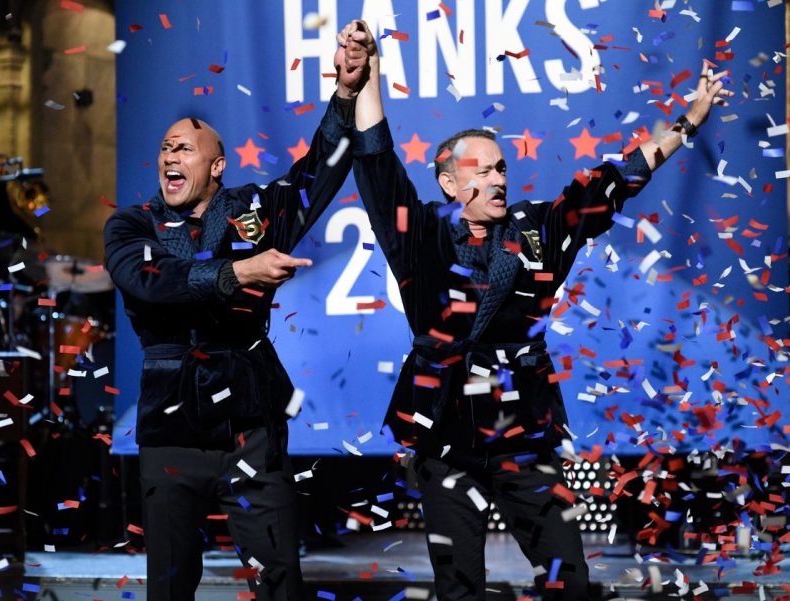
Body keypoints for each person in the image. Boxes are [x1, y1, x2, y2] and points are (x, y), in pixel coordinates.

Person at [344, 21, 732, 601]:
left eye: (503, 166)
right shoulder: (419, 234)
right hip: (445, 434)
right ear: (450, 183)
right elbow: (376, 162)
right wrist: (368, 75)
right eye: (484, 169)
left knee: (570, 580)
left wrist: (689, 121)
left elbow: (612, 182)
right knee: (458, 588)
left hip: (524, 432)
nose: (500, 176)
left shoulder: (535, 231)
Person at [103, 31, 369, 601]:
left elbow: (317, 172)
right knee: (170, 586)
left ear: (217, 165)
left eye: (185, 149)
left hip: (249, 425)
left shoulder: (255, 211)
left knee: (280, 580)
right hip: (169, 429)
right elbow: (153, 283)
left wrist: (345, 94)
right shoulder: (131, 226)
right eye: (166, 148)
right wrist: (237, 274)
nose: (170, 156)